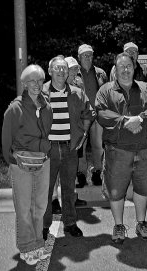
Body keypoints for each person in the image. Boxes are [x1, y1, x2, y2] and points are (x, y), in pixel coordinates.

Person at [96, 52, 147, 244]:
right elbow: (100, 112)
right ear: (115, 70)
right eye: (121, 66)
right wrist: (124, 121)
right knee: (116, 190)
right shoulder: (106, 91)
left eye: (129, 66)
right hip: (117, 151)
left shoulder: (146, 88)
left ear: (134, 68)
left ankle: (141, 223)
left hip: (144, 150)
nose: (125, 70)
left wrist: (140, 118)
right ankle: (118, 225)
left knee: (143, 187)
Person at [1, 64, 52, 265]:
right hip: (21, 163)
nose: (37, 84)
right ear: (24, 83)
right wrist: (12, 161)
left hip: (43, 161)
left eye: (40, 80)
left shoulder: (46, 106)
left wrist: (46, 149)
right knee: (23, 207)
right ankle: (26, 247)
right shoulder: (15, 108)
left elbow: (48, 132)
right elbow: (6, 139)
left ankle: (38, 244)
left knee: (40, 206)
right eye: (32, 80)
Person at [42, 56, 95, 240]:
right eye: (57, 68)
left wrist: (85, 134)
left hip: (70, 148)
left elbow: (89, 113)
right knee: (45, 190)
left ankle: (70, 223)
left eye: (64, 68)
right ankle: (43, 226)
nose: (61, 71)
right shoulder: (41, 93)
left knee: (68, 188)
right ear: (50, 71)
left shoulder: (77, 93)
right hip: (47, 150)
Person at [77, 44, 108, 186]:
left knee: (98, 146)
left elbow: (107, 92)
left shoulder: (100, 73)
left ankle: (97, 172)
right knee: (81, 147)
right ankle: (81, 174)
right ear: (79, 57)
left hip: (97, 115)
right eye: (85, 55)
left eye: (90, 55)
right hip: (81, 116)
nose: (88, 58)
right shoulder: (73, 72)